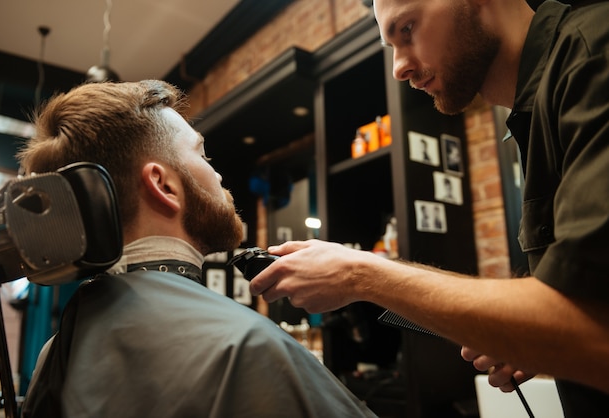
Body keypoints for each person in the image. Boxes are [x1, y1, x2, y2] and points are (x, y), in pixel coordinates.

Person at [249, 0, 609, 416]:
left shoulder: (592, 53)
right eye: (391, 45)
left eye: (407, 29)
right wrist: (524, 337)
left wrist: (359, 273)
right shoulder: (537, 114)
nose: (398, 68)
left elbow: (594, 325)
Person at [17, 80, 377, 418]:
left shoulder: (56, 353)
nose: (218, 175)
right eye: (202, 154)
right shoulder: (244, 347)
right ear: (163, 185)